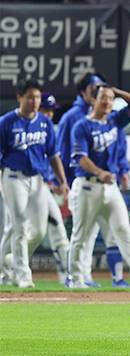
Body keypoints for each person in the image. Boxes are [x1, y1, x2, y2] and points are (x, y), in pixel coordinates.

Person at [58, 73, 130, 288]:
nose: (107, 102)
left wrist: (114, 91)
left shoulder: (115, 119)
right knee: (81, 235)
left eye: (110, 98)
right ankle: (76, 278)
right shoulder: (81, 125)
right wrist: (99, 172)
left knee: (123, 229)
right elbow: (80, 157)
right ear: (93, 100)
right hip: (87, 186)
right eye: (102, 98)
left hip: (110, 187)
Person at [0, 79, 69, 288]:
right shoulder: (6, 122)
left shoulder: (45, 123)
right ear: (20, 97)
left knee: (38, 231)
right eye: (30, 96)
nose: (34, 101)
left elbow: (53, 155)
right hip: (13, 178)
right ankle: (23, 275)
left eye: (37, 97)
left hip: (37, 180)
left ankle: (9, 261)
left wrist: (62, 181)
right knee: (19, 226)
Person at [39, 93, 72, 284]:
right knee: (20, 232)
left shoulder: (49, 130)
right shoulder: (26, 127)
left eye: (51, 110)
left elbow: (53, 159)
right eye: (46, 109)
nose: (49, 114)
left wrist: (57, 181)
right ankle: (8, 267)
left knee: (58, 229)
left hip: (42, 188)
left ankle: (65, 276)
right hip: (18, 185)